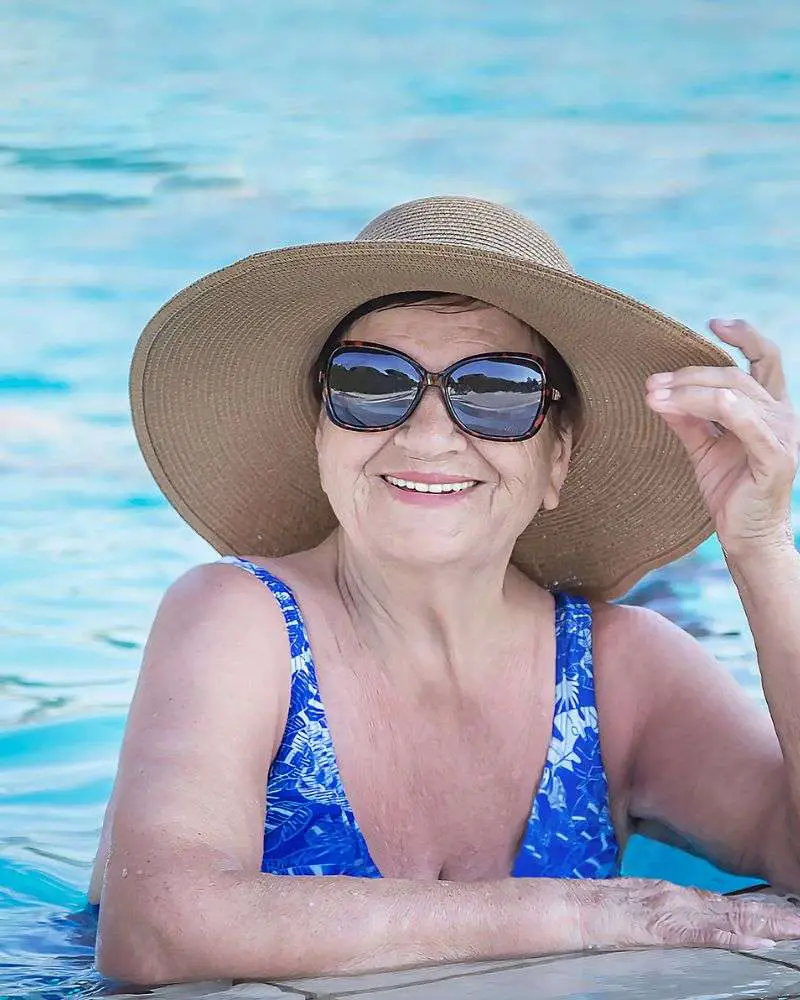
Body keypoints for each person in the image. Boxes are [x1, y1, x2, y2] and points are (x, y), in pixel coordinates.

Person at [92, 196, 800, 987]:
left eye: (497, 392)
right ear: (320, 430)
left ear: (559, 456)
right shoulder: (237, 620)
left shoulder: (622, 668)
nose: (427, 434)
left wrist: (761, 548)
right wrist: (593, 913)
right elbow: (153, 932)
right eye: (372, 382)